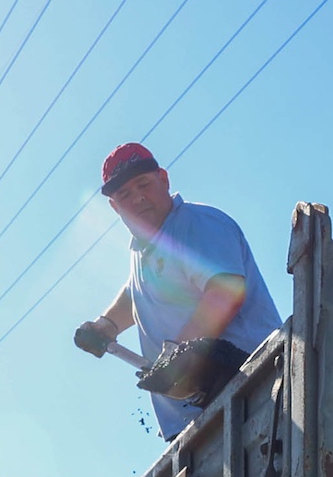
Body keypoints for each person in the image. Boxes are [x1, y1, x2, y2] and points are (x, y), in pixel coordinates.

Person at [72, 142, 282, 440]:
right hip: (204, 421)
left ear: (164, 179)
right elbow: (137, 293)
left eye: (143, 184)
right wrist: (107, 325)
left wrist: (177, 359)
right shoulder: (145, 250)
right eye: (125, 195)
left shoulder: (196, 224)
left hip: (256, 390)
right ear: (114, 206)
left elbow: (225, 292)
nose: (138, 199)